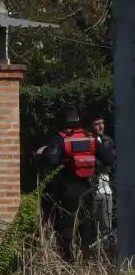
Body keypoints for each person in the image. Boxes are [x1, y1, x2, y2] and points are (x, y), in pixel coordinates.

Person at [42, 107, 115, 261]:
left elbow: (50, 163)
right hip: (88, 189)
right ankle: (86, 259)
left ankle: (68, 260)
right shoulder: (90, 137)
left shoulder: (61, 139)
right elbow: (108, 160)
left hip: (67, 190)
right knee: (86, 225)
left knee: (67, 227)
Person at [91, 115, 115, 246]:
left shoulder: (108, 141)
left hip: (107, 187)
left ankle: (107, 250)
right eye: (97, 124)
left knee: (108, 221)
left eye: (102, 123)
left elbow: (112, 161)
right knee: (98, 221)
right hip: (95, 186)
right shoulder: (90, 141)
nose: (100, 127)